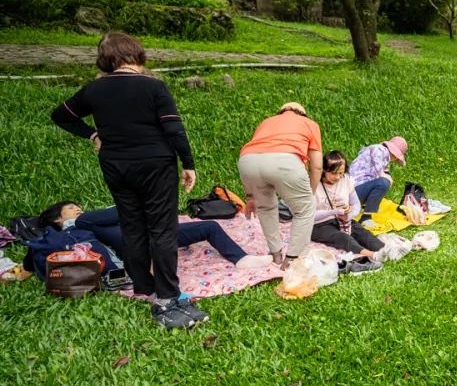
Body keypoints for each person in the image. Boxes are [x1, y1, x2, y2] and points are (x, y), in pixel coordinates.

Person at [50, 32, 204, 330]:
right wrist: (188, 164)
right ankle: (168, 294)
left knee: (132, 225)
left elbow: (61, 115)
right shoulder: (154, 87)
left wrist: (93, 134)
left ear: (106, 59)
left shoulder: (94, 89)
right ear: (138, 55)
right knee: (162, 228)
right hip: (155, 164)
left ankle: (143, 287)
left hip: (116, 165)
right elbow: (174, 130)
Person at [39, 202, 273, 271]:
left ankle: (242, 260)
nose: (78, 209)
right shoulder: (82, 222)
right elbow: (123, 209)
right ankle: (242, 260)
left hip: (153, 237)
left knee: (209, 226)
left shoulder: (86, 222)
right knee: (208, 227)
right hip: (147, 242)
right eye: (71, 207)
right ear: (57, 219)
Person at [238, 102, 322, 271]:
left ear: (281, 112)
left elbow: (258, 156)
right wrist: (310, 194)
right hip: (285, 162)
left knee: (265, 208)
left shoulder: (267, 122)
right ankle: (290, 261)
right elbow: (317, 166)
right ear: (302, 115)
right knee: (305, 210)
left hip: (247, 161)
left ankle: (276, 255)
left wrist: (250, 197)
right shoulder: (309, 123)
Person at [347, 137, 408, 228]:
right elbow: (377, 161)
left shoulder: (383, 157)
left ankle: (365, 207)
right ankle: (366, 217)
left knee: (385, 178)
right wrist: (382, 174)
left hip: (355, 191)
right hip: (354, 190)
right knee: (383, 182)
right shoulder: (379, 149)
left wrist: (385, 173)